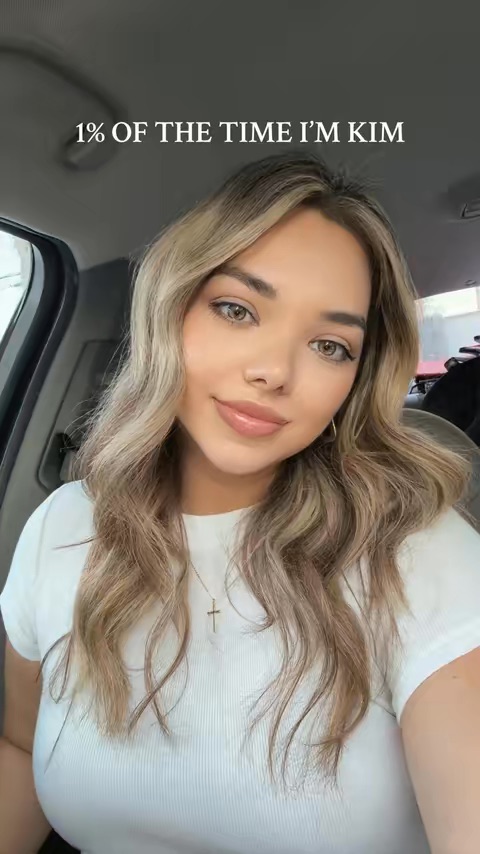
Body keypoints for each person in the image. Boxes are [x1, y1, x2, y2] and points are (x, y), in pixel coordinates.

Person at [1, 152, 480, 854]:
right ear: (171, 312)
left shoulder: (417, 552)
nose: (274, 371)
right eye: (237, 309)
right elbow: (19, 747)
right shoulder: (63, 526)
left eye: (330, 345)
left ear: (356, 379)